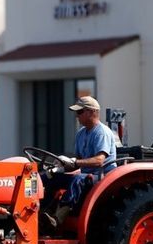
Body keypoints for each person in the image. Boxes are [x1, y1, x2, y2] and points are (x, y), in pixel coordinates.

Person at [42, 95, 117, 228]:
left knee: (78, 180)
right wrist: (60, 168)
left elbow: (99, 161)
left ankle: (57, 218)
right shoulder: (81, 133)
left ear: (92, 112)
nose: (77, 116)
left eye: (80, 112)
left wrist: (75, 162)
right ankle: (41, 212)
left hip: (102, 175)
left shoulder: (101, 132)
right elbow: (78, 162)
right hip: (86, 173)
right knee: (47, 177)